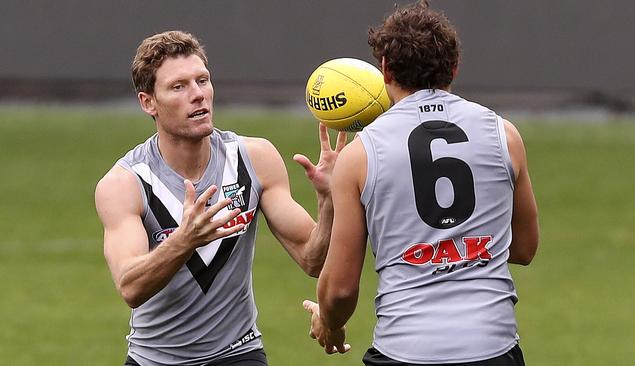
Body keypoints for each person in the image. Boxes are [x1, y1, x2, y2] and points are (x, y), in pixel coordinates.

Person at [303, 1, 539, 365]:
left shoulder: (360, 155)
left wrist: (330, 324)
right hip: (493, 346)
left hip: (405, 349)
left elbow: (339, 290)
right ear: (455, 68)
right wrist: (463, 251)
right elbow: (524, 248)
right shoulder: (503, 134)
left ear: (384, 69)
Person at [95, 30, 346, 366]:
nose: (198, 95)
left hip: (239, 353)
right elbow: (130, 286)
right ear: (148, 102)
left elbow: (312, 259)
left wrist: (329, 202)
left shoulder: (254, 159)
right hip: (154, 360)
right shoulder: (125, 183)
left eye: (203, 80)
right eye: (179, 86)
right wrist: (185, 240)